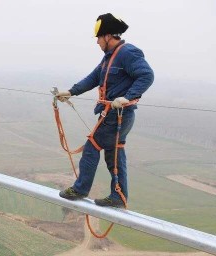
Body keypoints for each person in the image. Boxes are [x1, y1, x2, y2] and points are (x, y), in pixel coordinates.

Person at [57, 13, 154, 207]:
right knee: (114, 153)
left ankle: (81, 189)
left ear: (108, 36)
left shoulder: (127, 53)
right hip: (116, 115)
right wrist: (71, 92)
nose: (97, 43)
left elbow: (146, 75)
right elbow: (93, 78)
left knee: (93, 145)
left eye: (99, 38)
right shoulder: (109, 58)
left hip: (119, 114)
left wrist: (126, 98)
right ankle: (118, 195)